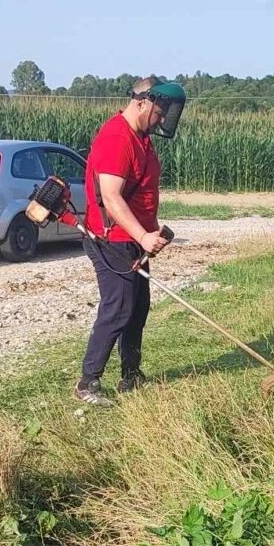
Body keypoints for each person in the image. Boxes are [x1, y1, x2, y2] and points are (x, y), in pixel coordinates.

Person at [75, 77, 185, 404]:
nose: (162, 120)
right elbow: (111, 197)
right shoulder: (117, 138)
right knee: (118, 308)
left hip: (134, 239)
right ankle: (88, 383)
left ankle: (131, 374)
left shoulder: (142, 138)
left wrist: (149, 234)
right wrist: (142, 236)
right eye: (159, 112)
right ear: (141, 102)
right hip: (113, 240)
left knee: (137, 308)